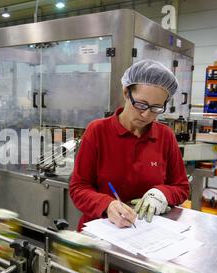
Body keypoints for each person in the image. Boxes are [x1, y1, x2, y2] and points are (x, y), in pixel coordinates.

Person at [69, 59, 190, 231]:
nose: (146, 114)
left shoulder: (165, 136)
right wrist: (107, 205)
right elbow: (79, 188)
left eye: (156, 108)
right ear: (126, 93)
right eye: (140, 104)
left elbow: (181, 187)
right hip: (101, 231)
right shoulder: (98, 131)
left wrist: (162, 194)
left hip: (147, 232)